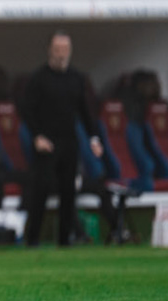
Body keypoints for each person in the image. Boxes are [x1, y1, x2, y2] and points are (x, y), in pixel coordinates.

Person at [18, 32, 105, 248]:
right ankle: (33, 239)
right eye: (57, 49)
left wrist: (94, 138)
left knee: (69, 191)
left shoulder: (77, 79)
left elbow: (85, 112)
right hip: (46, 142)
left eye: (65, 49)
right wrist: (37, 135)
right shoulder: (38, 78)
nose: (61, 54)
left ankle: (65, 240)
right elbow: (26, 110)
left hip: (69, 141)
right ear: (49, 50)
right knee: (42, 189)